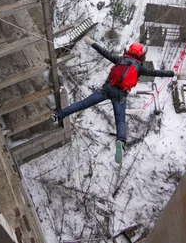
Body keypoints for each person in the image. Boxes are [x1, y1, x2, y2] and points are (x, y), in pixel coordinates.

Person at [48, 37, 176, 164]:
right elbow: (158, 72)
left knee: (82, 104)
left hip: (107, 89)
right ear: (141, 55)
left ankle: (56, 116)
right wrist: (175, 73)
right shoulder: (140, 68)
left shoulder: (120, 59)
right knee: (120, 120)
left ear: (129, 51)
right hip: (120, 96)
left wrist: (92, 42)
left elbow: (104, 52)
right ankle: (120, 140)